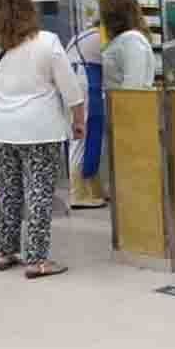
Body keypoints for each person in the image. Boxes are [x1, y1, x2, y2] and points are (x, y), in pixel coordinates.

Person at [0, 0, 84, 279]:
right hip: (39, 128)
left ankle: (5, 251)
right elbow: (71, 89)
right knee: (38, 191)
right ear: (30, 11)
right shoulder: (46, 41)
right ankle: (37, 260)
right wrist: (79, 120)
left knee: (6, 188)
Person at [65, 21, 107, 209]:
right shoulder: (101, 37)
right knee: (82, 140)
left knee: (89, 139)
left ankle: (93, 189)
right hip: (85, 84)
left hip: (81, 83)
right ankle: (78, 194)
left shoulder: (83, 36)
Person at [99, 0, 156, 90]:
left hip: (128, 103)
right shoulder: (121, 40)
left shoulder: (131, 40)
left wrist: (122, 104)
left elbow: (133, 85)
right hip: (118, 102)